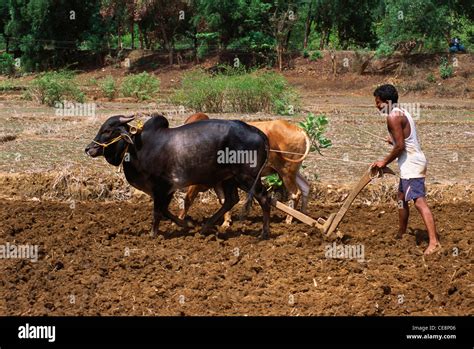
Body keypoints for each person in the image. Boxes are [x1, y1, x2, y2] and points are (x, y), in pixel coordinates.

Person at [371, 84, 441, 255]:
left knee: (419, 202)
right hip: (412, 162)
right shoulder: (401, 112)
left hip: (412, 164)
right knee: (401, 198)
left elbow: (401, 146)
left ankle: (434, 242)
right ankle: (401, 233)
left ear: (387, 101)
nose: (377, 106)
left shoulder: (393, 117)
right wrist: (393, 141)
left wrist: (384, 161)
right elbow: (403, 140)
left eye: (378, 102)